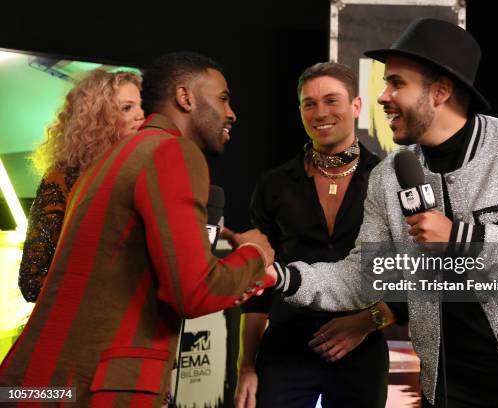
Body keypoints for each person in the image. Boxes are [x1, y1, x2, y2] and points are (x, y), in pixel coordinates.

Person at [270, 18, 498, 408]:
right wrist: (281, 276)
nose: (382, 97)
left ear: (440, 91)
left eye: (396, 83)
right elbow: (366, 275)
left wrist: (465, 240)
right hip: (449, 390)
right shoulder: (389, 177)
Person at [0, 52, 277, 407]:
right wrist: (254, 254)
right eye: (222, 98)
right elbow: (193, 293)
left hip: (39, 385)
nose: (231, 112)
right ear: (186, 97)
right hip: (94, 389)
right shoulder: (173, 152)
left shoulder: (105, 163)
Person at [234, 62, 407, 408]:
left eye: (331, 101)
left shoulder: (388, 179)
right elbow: (258, 288)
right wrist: (247, 366)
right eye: (309, 104)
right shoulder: (274, 185)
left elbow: (411, 269)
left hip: (362, 352)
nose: (320, 113)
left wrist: (365, 323)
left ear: (356, 107)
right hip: (285, 352)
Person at [18, 69, 145, 303]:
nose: (141, 116)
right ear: (99, 119)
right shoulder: (63, 178)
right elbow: (31, 281)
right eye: (127, 108)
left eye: (140, 105)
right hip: (86, 326)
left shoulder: (143, 174)